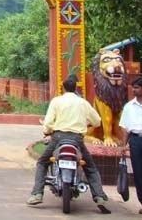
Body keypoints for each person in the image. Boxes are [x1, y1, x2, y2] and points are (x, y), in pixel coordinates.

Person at [27, 77, 108, 207]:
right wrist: (86, 124)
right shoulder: (83, 102)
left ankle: (37, 194)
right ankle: (99, 196)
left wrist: (47, 131)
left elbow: (48, 123)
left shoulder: (57, 101)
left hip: (58, 138)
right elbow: (97, 121)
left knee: (42, 162)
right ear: (75, 88)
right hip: (77, 140)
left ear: (63, 88)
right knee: (90, 167)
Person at [119, 77, 142, 214]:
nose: (134, 90)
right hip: (135, 141)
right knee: (139, 172)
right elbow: (125, 128)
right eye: (133, 87)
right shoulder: (129, 106)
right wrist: (124, 145)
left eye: (137, 87)